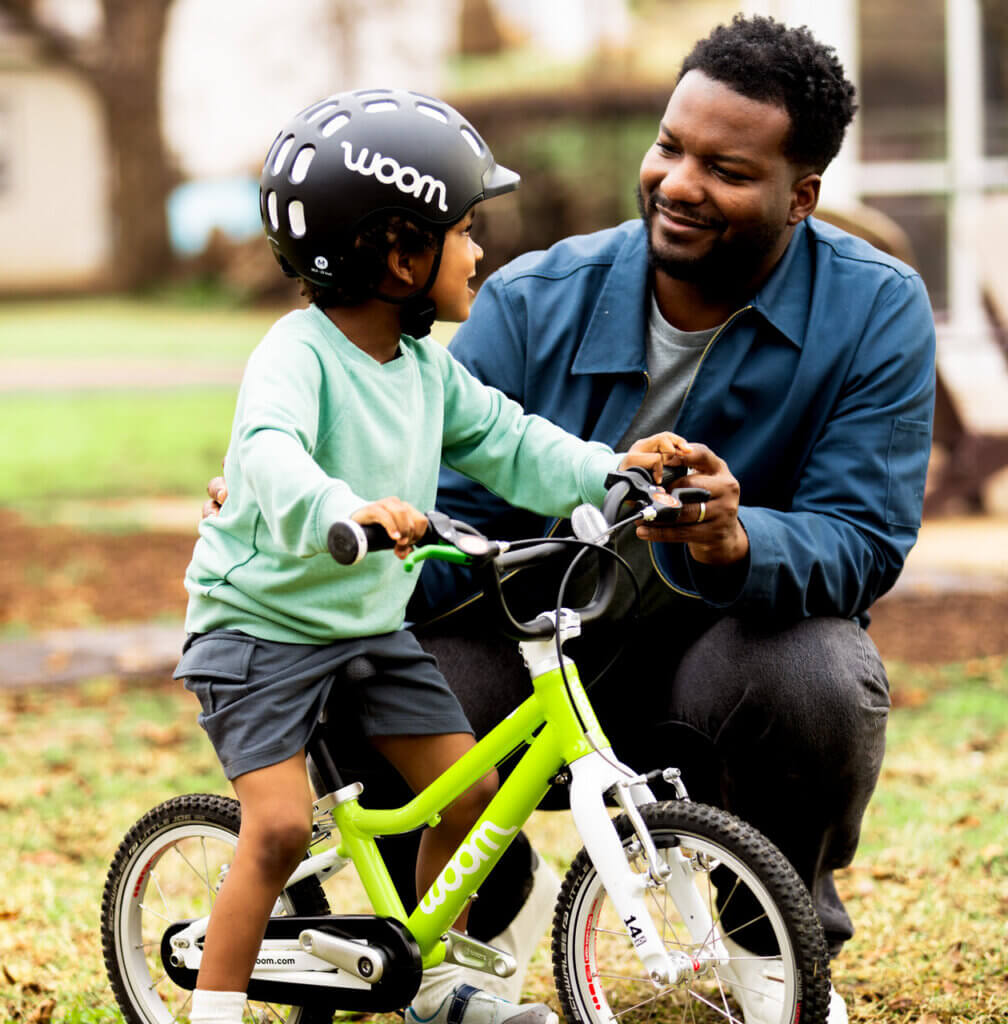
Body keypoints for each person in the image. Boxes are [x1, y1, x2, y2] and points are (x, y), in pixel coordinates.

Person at [205, 17, 936, 1023]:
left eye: (724, 168)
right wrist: (314, 517)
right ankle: (464, 929)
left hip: (721, 666)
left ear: (799, 196)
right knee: (368, 656)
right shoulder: (533, 299)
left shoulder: (875, 309)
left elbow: (862, 538)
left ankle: (763, 934)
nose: (678, 182)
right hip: (533, 652)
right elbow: (436, 497)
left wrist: (739, 538)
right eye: (669, 146)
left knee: (815, 673)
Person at [177, 88, 688, 1024]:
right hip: (259, 631)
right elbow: (269, 456)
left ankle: (434, 976)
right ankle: (212, 1010)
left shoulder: (425, 371)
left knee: (469, 799)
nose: (480, 249)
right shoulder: (295, 356)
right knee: (281, 830)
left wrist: (610, 470)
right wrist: (348, 510)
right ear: (400, 254)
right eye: (463, 230)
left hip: (366, 626)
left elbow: (512, 441)